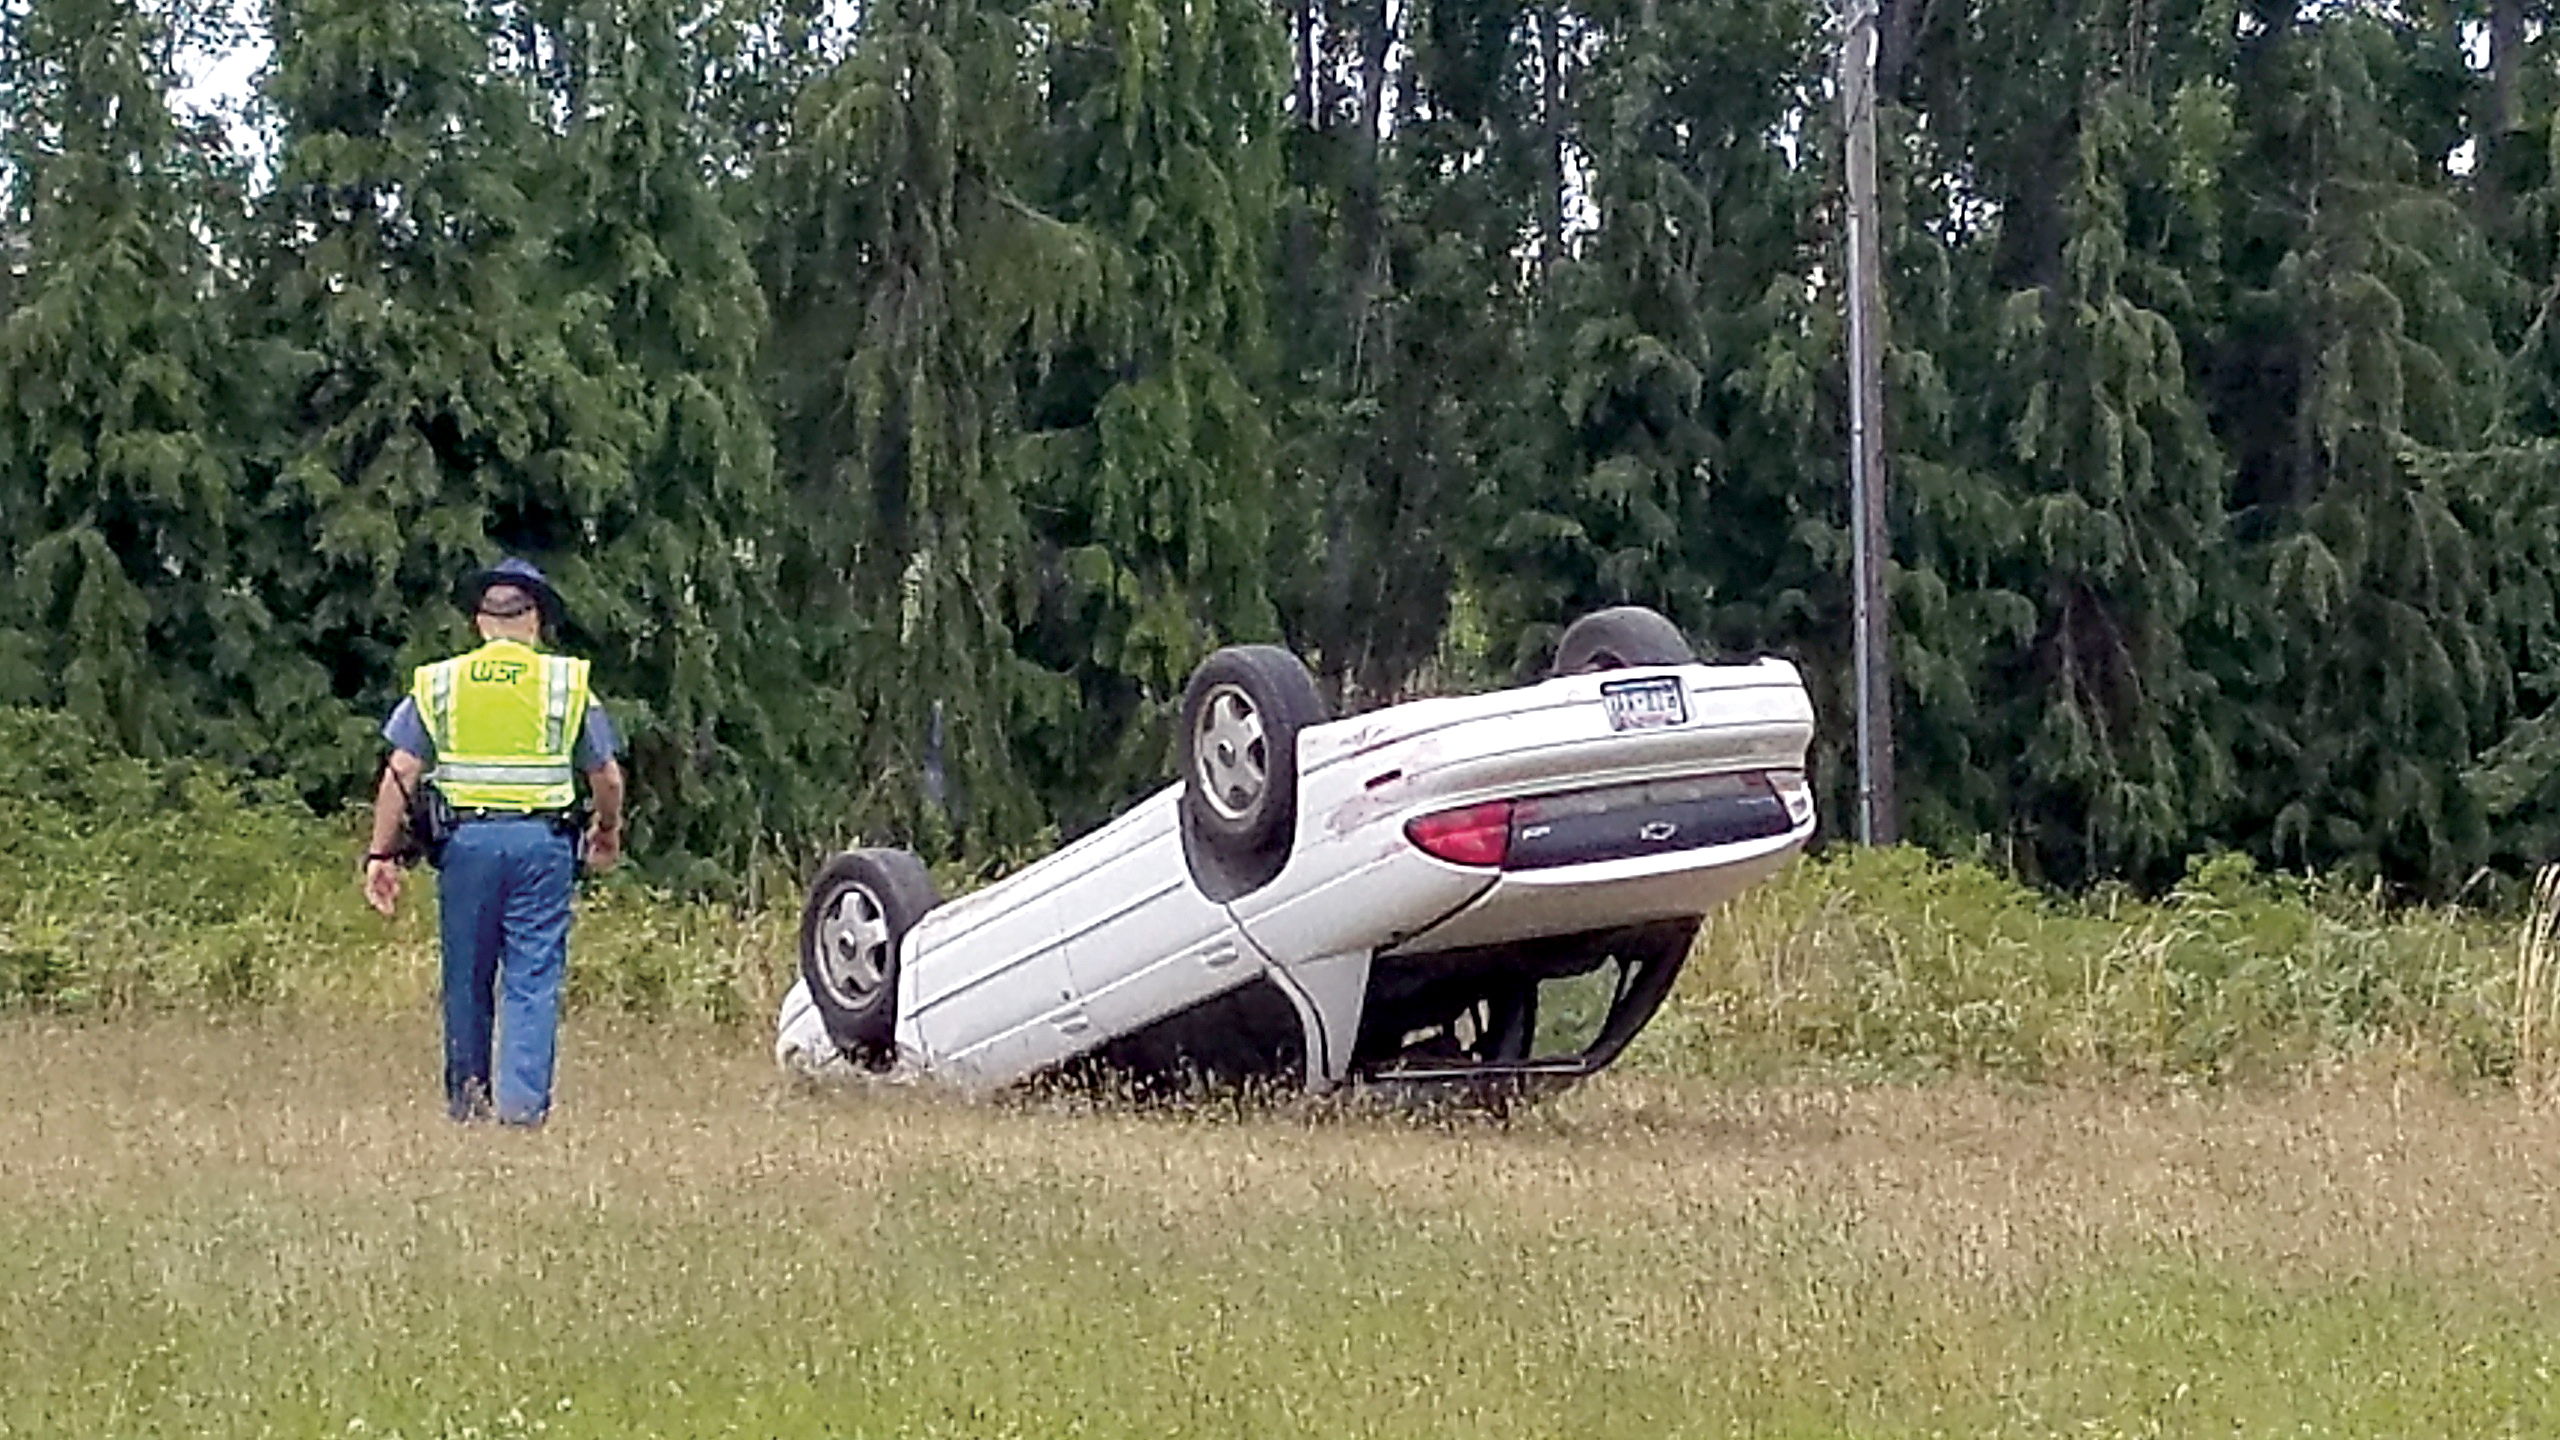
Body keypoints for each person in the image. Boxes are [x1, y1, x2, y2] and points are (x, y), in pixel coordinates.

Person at [361, 557, 626, 1127]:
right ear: (536, 620)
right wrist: (606, 831)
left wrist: (381, 854)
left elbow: (401, 769)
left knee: (466, 977)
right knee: (533, 977)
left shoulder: (439, 683)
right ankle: (522, 1112)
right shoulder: (567, 683)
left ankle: (469, 1104)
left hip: (466, 847)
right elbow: (605, 775)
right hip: (543, 846)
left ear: (480, 622)